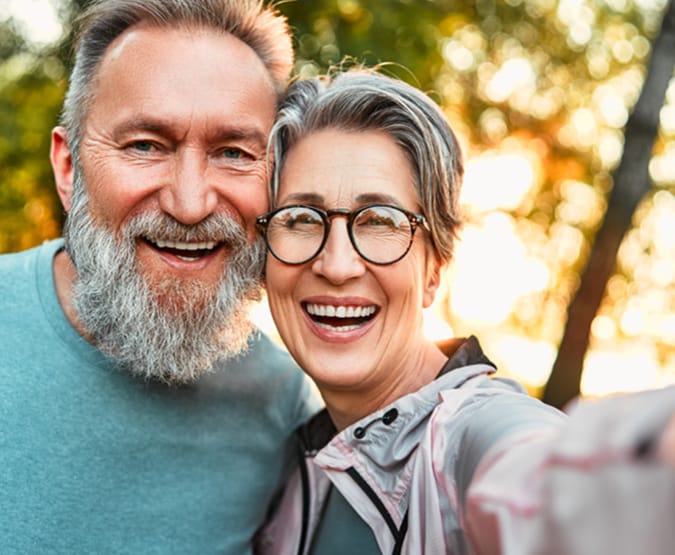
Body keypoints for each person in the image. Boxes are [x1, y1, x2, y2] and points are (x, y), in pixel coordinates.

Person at [0, 2, 374, 553]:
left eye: (233, 152)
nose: (192, 204)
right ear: (68, 167)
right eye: (146, 145)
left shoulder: (284, 407)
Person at [253, 69, 675, 554]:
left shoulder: (470, 437)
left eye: (381, 221)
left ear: (434, 268)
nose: (337, 264)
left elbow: (545, 480)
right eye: (302, 219)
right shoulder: (294, 466)